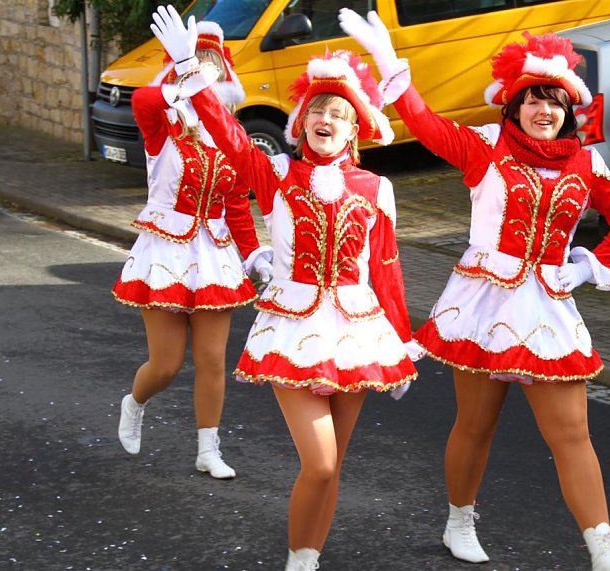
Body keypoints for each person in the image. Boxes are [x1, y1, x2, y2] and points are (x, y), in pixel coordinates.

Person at [340, 9, 610, 571]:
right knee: (476, 425)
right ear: (512, 103)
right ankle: (459, 521)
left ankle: (603, 551)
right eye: (533, 98)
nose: (544, 110)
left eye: (555, 101)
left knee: (572, 434)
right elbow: (426, 124)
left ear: (568, 110)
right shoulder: (485, 146)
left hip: (547, 309)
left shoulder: (585, 162)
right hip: (482, 306)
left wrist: (586, 266)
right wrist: (392, 67)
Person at [150, 7, 420, 569]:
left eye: (340, 113)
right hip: (293, 329)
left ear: (356, 129)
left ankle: (305, 558)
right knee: (319, 462)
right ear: (299, 123)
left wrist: (402, 344)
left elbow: (388, 271)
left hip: (358, 332)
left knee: (333, 466)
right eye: (318, 109)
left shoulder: (376, 187)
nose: (327, 118)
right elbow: (225, 133)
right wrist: (187, 67)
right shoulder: (273, 173)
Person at [112, 9, 273, 480]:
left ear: (227, 72)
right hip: (164, 252)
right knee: (165, 365)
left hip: (214, 255)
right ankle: (135, 401)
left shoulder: (233, 138)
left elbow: (238, 206)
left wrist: (255, 253)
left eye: (213, 61)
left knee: (212, 361)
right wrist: (179, 79)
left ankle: (208, 449)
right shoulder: (163, 127)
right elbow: (142, 101)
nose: (206, 68)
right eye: (197, 60)